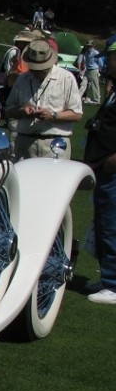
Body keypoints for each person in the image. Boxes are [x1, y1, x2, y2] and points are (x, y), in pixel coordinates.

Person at [4, 39, 83, 160]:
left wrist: (53, 115)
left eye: (42, 69)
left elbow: (77, 114)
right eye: (34, 68)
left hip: (55, 144)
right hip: (25, 142)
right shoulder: (22, 79)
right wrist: (22, 112)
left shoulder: (66, 78)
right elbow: (9, 110)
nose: (38, 72)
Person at [84, 43, 116, 304]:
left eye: (112, 58)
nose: (107, 63)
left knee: (112, 226)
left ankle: (114, 284)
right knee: (104, 223)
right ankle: (108, 278)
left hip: (112, 168)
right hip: (104, 167)